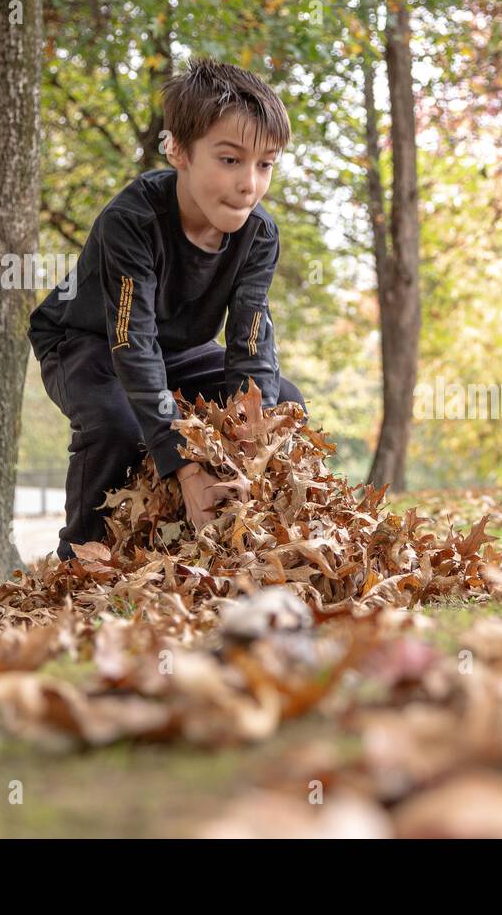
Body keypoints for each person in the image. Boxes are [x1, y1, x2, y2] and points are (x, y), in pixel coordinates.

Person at [27, 58, 305, 562]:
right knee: (116, 422)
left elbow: (249, 343)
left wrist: (252, 441)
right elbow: (132, 343)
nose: (249, 183)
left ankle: (228, 545)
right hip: (85, 342)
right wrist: (187, 469)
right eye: (229, 159)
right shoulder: (131, 221)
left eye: (265, 164)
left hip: (180, 347)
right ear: (178, 150)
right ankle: (79, 560)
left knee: (283, 400)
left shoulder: (259, 234)